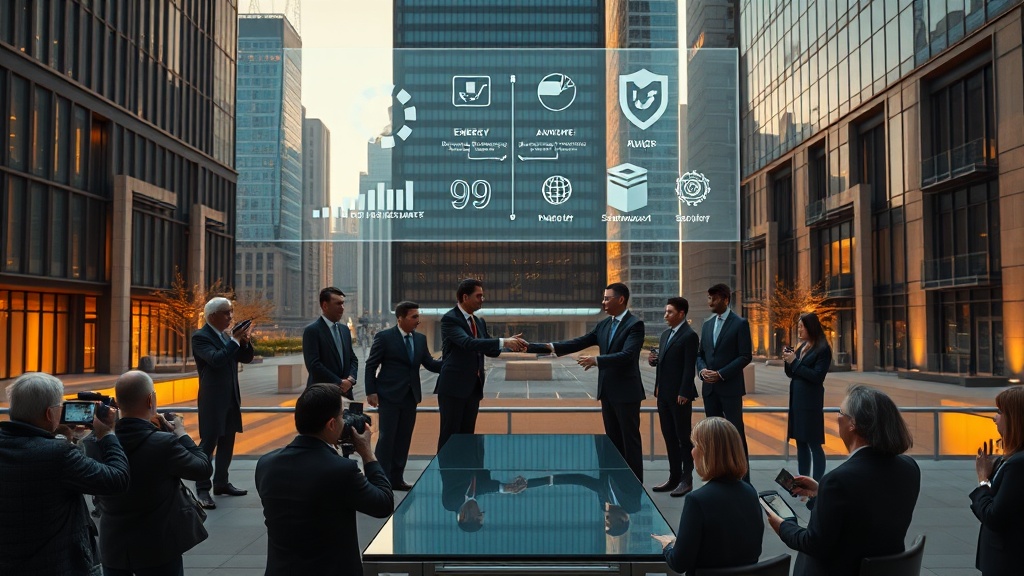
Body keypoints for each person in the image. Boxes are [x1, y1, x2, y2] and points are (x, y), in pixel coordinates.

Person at [767, 385, 920, 576]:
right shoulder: (909, 467)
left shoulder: (839, 480)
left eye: (840, 412)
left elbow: (814, 543)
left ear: (852, 423)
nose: (837, 417)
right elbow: (864, 511)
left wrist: (782, 527)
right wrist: (820, 492)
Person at [255, 383, 394, 576]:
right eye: (342, 416)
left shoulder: (266, 464)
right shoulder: (341, 470)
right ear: (331, 424)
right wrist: (367, 454)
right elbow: (383, 504)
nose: (345, 421)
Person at [0, 372, 130, 575]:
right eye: (59, 407)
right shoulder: (58, 454)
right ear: (49, 414)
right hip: (56, 565)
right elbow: (117, 479)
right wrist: (107, 434)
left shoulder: (55, 450)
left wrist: (65, 439)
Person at [98, 370, 213, 576]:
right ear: (150, 400)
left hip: (114, 548)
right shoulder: (163, 443)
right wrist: (181, 434)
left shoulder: (98, 441)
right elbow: (202, 468)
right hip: (157, 547)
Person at [534, 282, 646, 481]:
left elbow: (628, 355)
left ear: (620, 300)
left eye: (607, 298)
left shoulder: (634, 325)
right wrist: (547, 347)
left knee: (630, 442)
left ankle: (635, 486)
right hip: (607, 392)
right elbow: (580, 342)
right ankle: (614, 482)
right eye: (603, 298)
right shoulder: (604, 324)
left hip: (627, 393)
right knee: (612, 442)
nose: (603, 302)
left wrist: (597, 360)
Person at [652, 417, 763, 575]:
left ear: (708, 453)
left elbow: (678, 563)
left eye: (696, 445)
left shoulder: (697, 500)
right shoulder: (750, 493)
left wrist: (668, 545)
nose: (692, 452)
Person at [434, 278, 526, 451]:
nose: (482, 299)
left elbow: (490, 349)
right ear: (465, 297)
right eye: (479, 296)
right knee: (450, 436)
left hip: (473, 389)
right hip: (453, 388)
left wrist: (512, 346)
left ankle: (467, 476)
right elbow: (468, 343)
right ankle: (448, 476)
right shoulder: (450, 319)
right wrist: (504, 341)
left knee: (468, 436)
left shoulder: (479, 321)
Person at [364, 301, 443, 490]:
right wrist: (371, 391)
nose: (418, 320)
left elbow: (430, 364)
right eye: (414, 317)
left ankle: (397, 479)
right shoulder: (384, 337)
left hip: (410, 397)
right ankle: (380, 480)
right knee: (386, 439)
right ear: (400, 318)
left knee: (403, 439)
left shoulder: (420, 340)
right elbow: (371, 365)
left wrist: (452, 364)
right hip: (389, 396)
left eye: (418, 316)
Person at [192, 296, 255, 508]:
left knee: (228, 441)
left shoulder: (226, 337)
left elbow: (245, 359)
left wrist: (244, 342)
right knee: (208, 444)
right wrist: (235, 341)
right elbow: (216, 359)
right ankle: (202, 490)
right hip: (212, 401)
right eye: (226, 313)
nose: (231, 317)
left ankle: (221, 482)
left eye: (231, 312)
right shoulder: (201, 337)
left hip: (230, 399)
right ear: (212, 316)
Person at [696, 283, 752, 481]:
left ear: (725, 299)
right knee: (713, 436)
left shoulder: (740, 324)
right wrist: (702, 371)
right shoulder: (707, 324)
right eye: (709, 298)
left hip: (730, 389)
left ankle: (744, 481)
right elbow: (700, 354)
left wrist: (721, 374)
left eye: (714, 298)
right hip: (709, 390)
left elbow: (745, 356)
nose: (709, 302)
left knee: (736, 434)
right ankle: (717, 476)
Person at [649, 297, 700, 497]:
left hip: (680, 396)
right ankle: (674, 478)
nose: (665, 315)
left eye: (669, 312)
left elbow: (689, 367)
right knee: (669, 437)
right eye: (665, 312)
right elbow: (664, 363)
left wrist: (685, 391)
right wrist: (654, 362)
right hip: (663, 395)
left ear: (681, 313)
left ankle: (686, 480)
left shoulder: (689, 336)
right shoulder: (665, 335)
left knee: (683, 439)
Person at [971, 386, 1024, 575]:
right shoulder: (1012, 460)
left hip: (1007, 563)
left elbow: (994, 516)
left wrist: (983, 480)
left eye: (1000, 412)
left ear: (1014, 418)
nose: (995, 418)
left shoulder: (1017, 464)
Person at [783, 312, 832, 482]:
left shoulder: (823, 349)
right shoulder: (802, 346)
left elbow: (817, 376)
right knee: (801, 442)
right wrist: (788, 360)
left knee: (814, 444)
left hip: (811, 402)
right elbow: (792, 372)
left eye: (801, 326)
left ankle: (817, 484)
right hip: (797, 401)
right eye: (798, 327)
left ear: (811, 327)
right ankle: (803, 481)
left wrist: (794, 362)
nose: (799, 330)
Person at [303, 287, 359, 398]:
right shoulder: (312, 331)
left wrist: (350, 380)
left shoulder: (345, 330)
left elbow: (352, 359)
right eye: (338, 304)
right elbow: (314, 365)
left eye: (343, 304)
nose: (342, 308)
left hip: (345, 394)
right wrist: (339, 382)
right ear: (325, 306)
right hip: (322, 395)